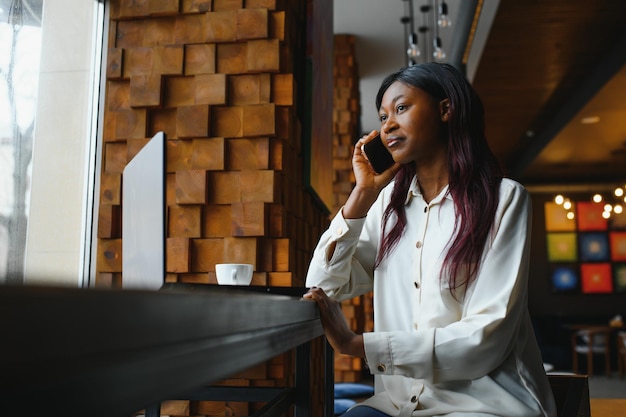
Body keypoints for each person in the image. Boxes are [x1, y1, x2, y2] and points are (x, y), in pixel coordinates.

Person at [303, 63, 556, 417]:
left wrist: (356, 345)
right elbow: (322, 286)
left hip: (484, 406)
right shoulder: (388, 207)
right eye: (383, 116)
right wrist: (361, 195)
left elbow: (485, 338)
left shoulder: (504, 200)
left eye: (401, 108)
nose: (387, 124)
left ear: (445, 109)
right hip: (397, 405)